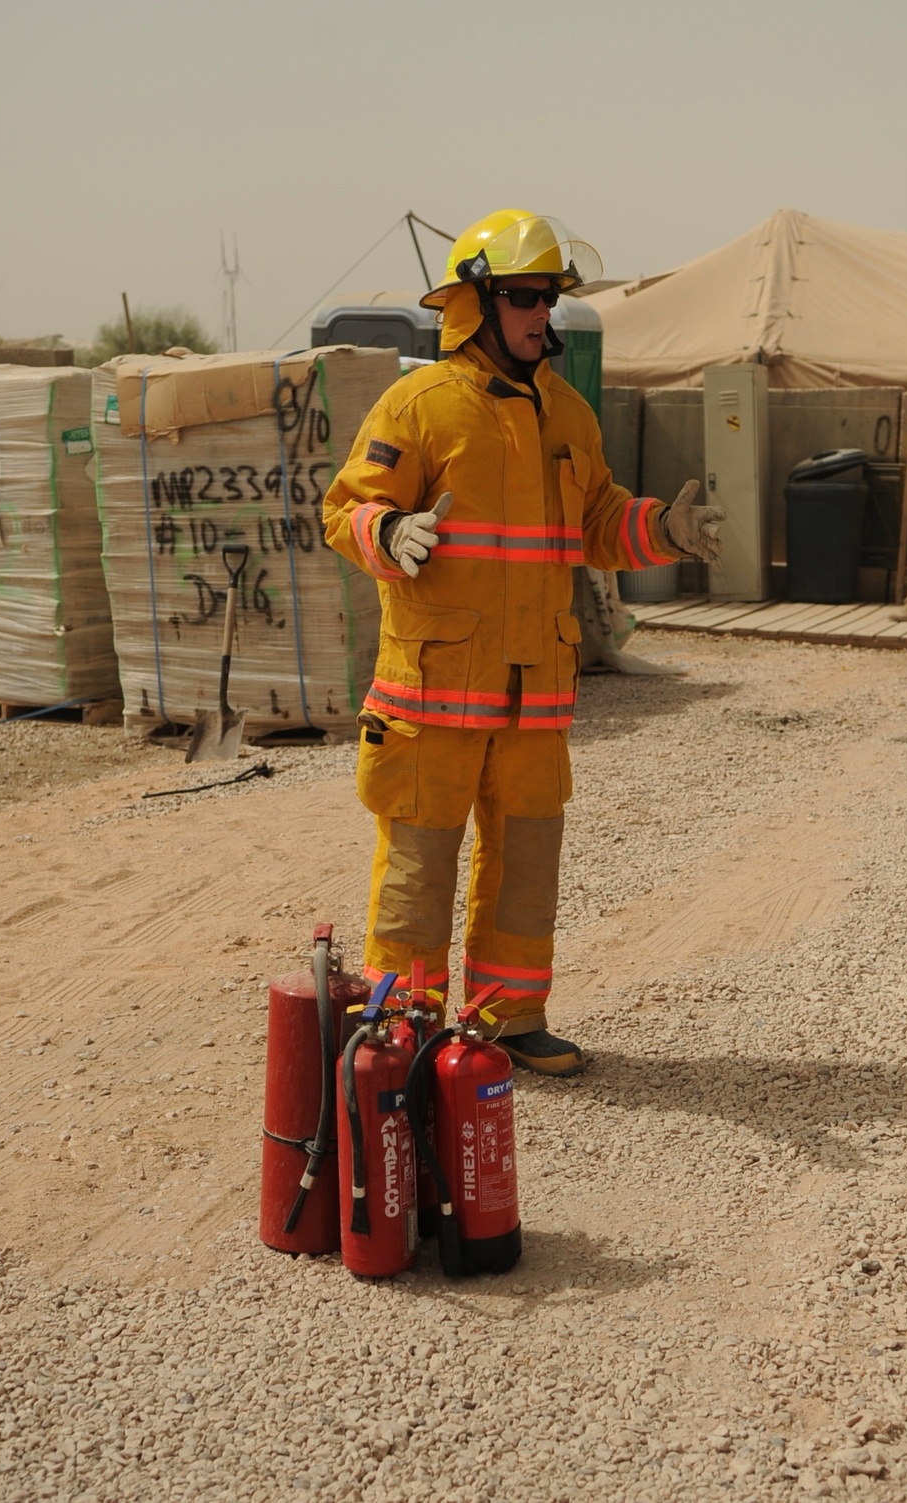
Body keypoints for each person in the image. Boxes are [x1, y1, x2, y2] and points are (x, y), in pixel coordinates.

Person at [323, 209, 723, 1077]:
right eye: (528, 297)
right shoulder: (420, 405)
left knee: (526, 868)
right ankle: (408, 1033)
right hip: (432, 698)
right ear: (477, 302)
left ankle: (508, 1018)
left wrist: (668, 528)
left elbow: (600, 524)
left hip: (533, 697)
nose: (545, 313)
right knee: (417, 876)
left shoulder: (569, 414)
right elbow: (342, 507)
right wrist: (387, 534)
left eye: (551, 297)